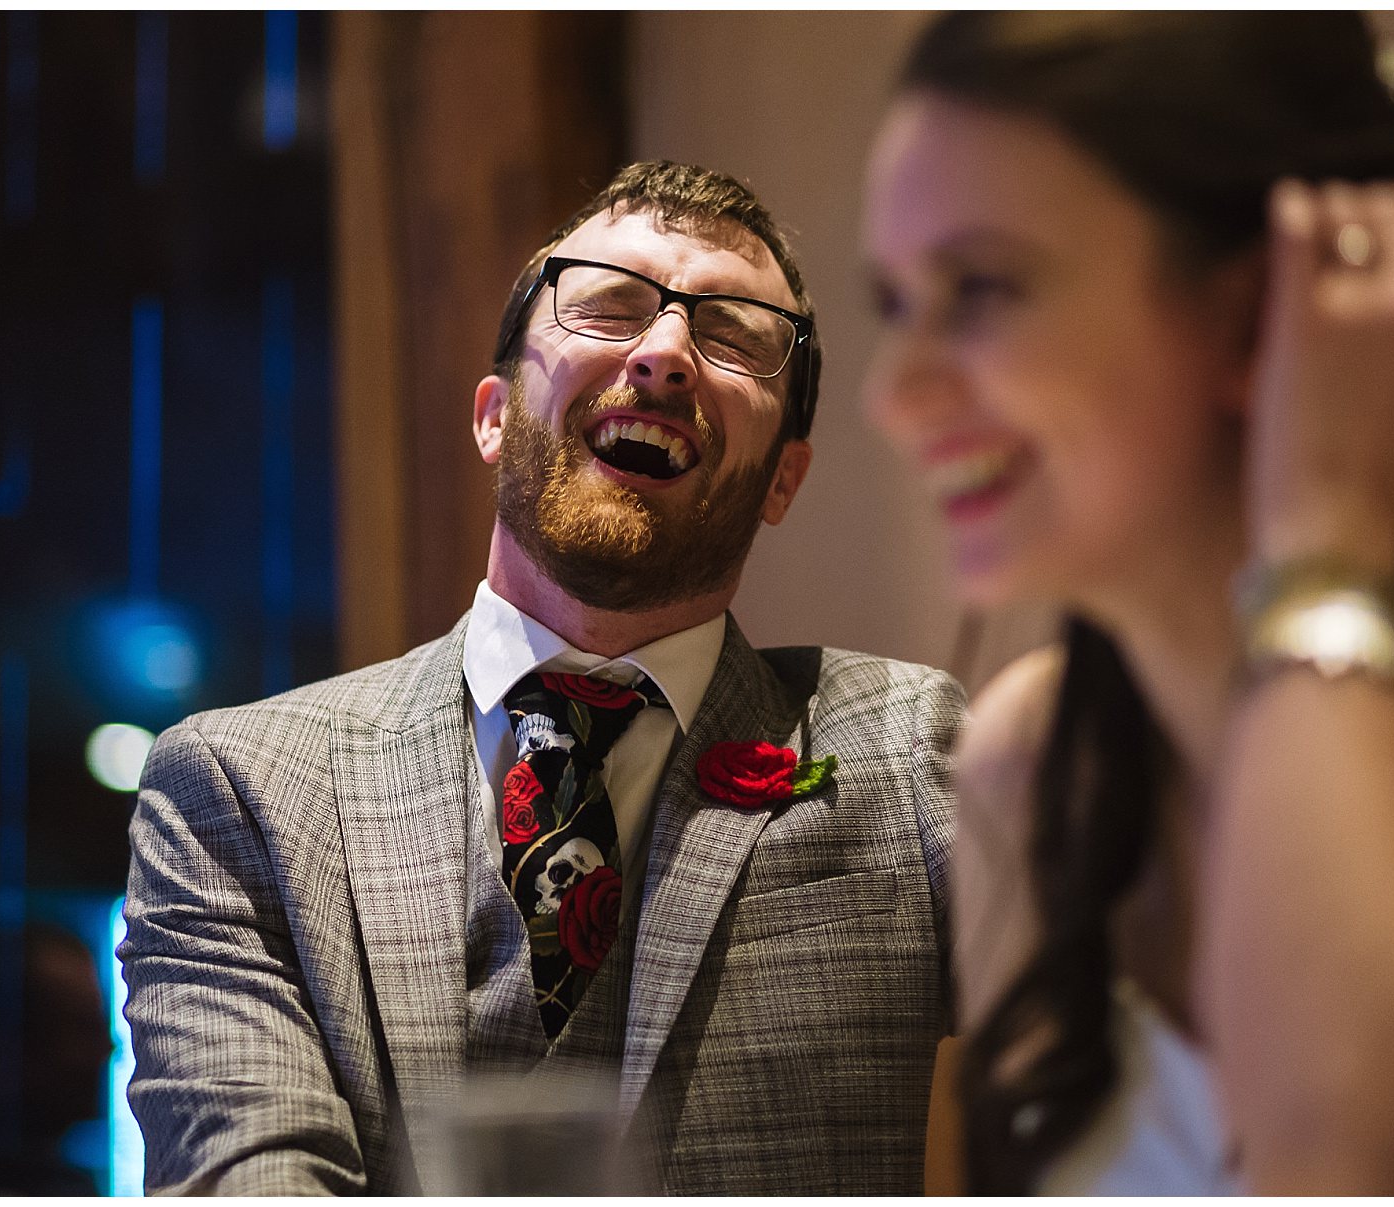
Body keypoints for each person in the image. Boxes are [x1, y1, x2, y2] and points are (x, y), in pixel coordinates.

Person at [861, 10, 1394, 1195]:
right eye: (893, 302)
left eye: (984, 286)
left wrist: (1325, 547)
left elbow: (1346, 1161)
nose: (896, 391)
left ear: (1275, 303)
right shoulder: (1029, 767)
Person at [120, 161, 962, 1195]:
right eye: (610, 308)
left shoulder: (913, 750)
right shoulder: (238, 791)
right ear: (494, 417)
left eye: (733, 335)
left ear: (784, 476)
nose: (664, 354)